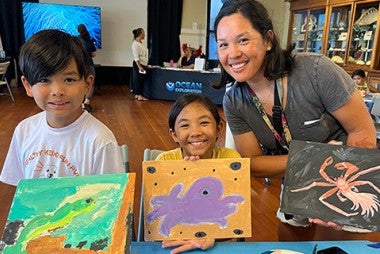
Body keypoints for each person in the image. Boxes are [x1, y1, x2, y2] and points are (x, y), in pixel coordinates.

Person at [213, 0, 377, 241]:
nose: (233, 53)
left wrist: (335, 200)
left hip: (347, 181)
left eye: (243, 40)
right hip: (296, 183)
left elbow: (362, 132)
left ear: (268, 39)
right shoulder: (235, 101)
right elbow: (253, 164)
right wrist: (311, 158)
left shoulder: (315, 72)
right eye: (223, 44)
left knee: (335, 246)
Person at [0, 29, 124, 229]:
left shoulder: (100, 140)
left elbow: (110, 205)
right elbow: (20, 192)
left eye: (69, 79)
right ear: (27, 85)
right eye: (44, 80)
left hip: (79, 234)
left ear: (87, 84)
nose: (58, 91)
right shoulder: (24, 130)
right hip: (35, 232)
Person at [156, 93, 241, 253]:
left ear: (219, 128)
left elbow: (235, 218)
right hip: (174, 243)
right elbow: (159, 222)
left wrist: (211, 236)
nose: (195, 132)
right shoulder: (164, 163)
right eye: (185, 125)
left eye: (204, 123)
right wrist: (184, 174)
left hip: (219, 244)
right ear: (174, 134)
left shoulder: (230, 160)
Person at [77, 24, 97, 112]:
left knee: (80, 83)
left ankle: (80, 103)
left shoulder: (76, 40)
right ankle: (86, 101)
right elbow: (94, 55)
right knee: (90, 83)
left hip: (79, 65)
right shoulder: (89, 40)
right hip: (89, 65)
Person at [131, 28, 149, 101]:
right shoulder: (135, 44)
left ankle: (138, 94)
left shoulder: (140, 43)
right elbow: (136, 57)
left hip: (143, 64)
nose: (144, 34)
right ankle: (139, 95)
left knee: (140, 80)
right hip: (139, 64)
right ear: (140, 34)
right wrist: (139, 67)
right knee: (138, 80)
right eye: (143, 33)